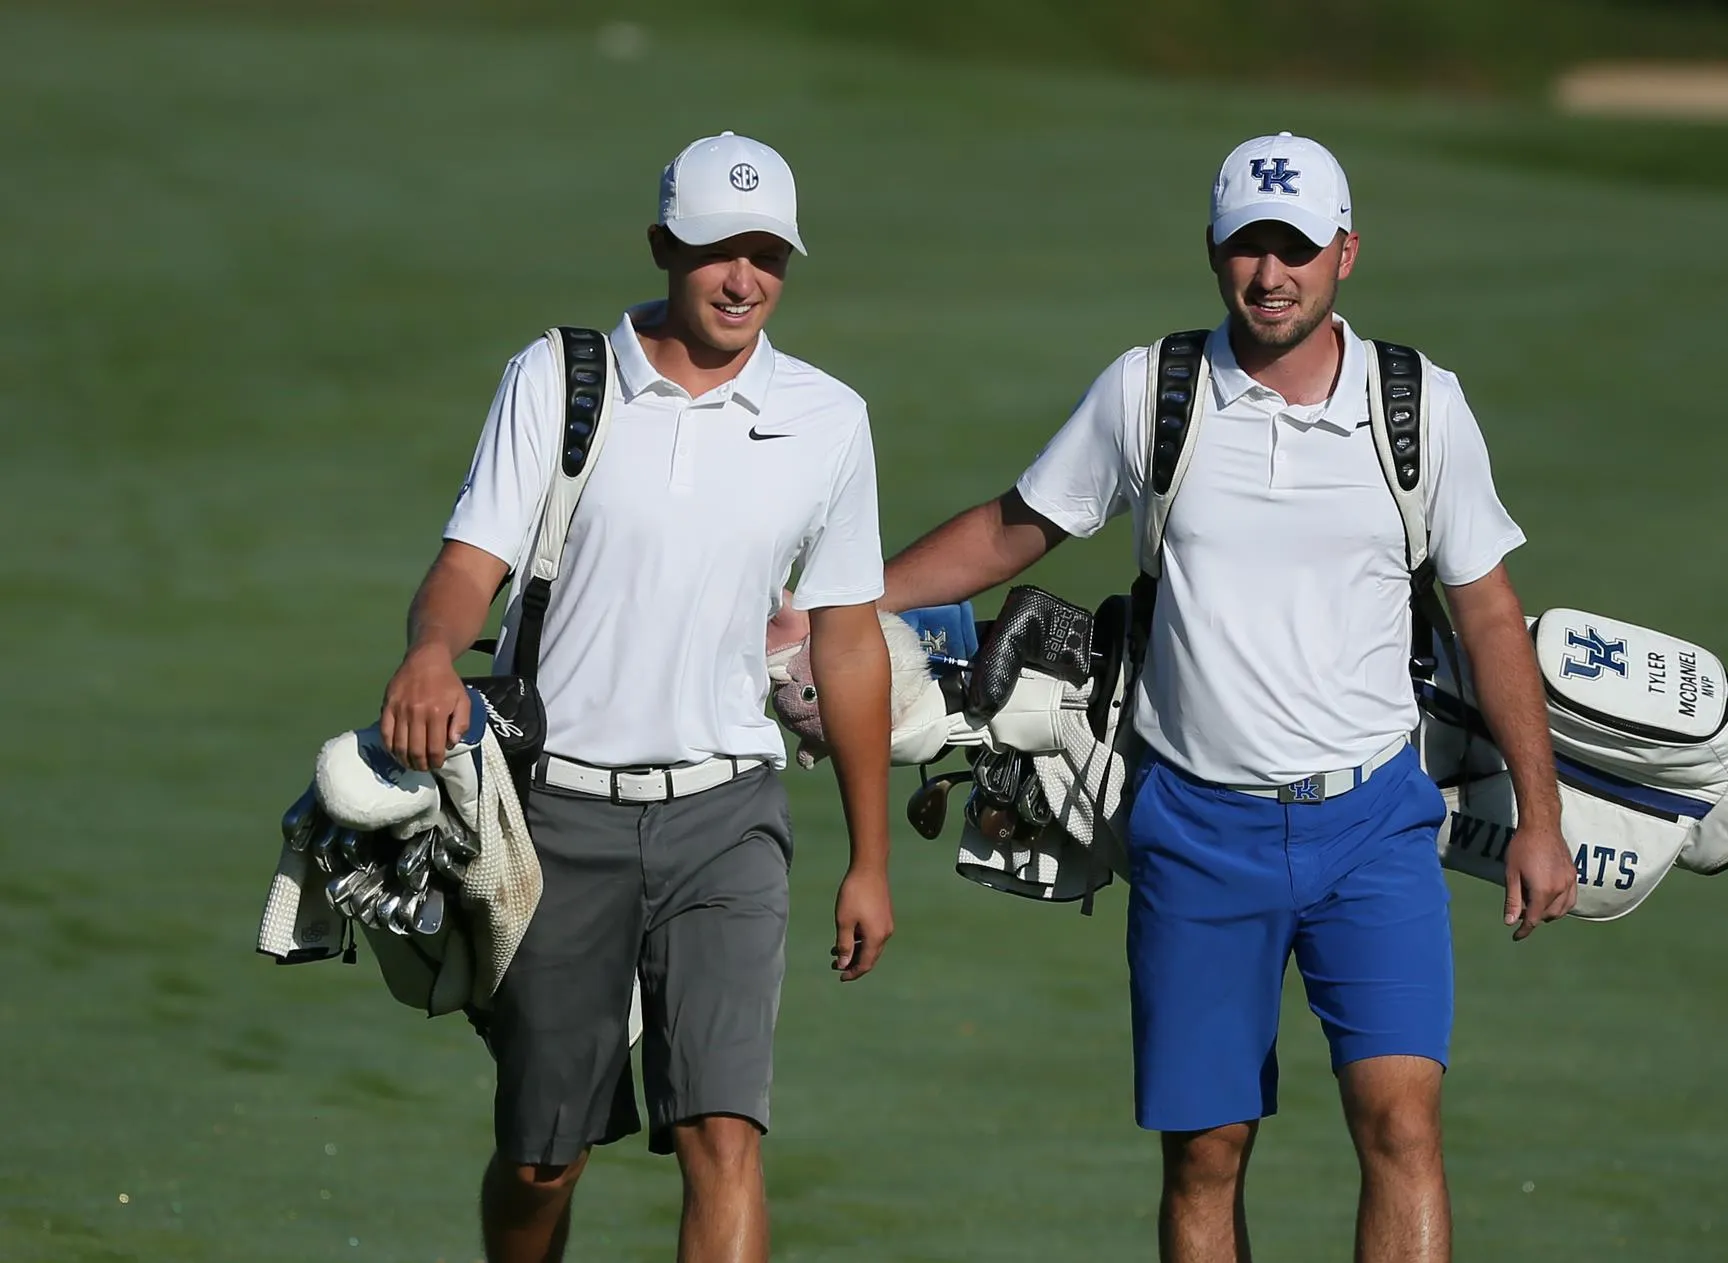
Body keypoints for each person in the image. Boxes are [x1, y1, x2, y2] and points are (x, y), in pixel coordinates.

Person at [881, 132, 1577, 1263]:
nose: (1271, 274)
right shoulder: (1151, 390)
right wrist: (843, 606)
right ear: (1213, 251)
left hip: (1372, 825)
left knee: (1400, 1120)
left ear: (1344, 253)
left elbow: (1489, 613)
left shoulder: (1418, 405)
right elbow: (1018, 526)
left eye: (1295, 248)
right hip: (1196, 829)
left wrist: (1537, 819)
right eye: (1249, 247)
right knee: (1205, 1151)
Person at [377, 132, 894, 1263]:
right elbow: (471, 563)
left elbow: (850, 645)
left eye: (768, 254)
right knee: (542, 1153)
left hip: (729, 815)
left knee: (723, 1132)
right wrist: (429, 653)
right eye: (717, 250)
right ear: (665, 245)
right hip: (557, 817)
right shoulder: (560, 380)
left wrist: (868, 856)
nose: (743, 279)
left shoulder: (826, 418)